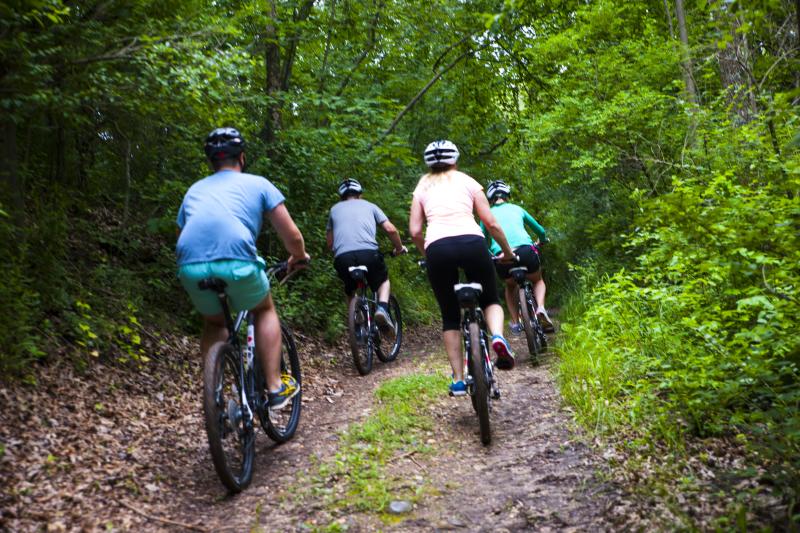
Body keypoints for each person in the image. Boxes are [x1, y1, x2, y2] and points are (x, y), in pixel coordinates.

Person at [176, 127, 310, 410]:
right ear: (243, 158)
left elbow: (182, 235)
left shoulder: (194, 190)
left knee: (214, 322)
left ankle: (215, 390)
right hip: (238, 262)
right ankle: (274, 386)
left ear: (211, 162)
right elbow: (293, 236)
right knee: (263, 309)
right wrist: (298, 256)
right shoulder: (258, 184)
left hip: (190, 266)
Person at [409, 140, 518, 397]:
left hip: (437, 248)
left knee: (449, 315)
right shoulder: (468, 181)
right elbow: (490, 222)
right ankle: (498, 337)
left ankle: (458, 379)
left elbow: (415, 230)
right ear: (455, 160)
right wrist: (508, 252)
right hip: (472, 243)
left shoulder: (422, 186)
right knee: (490, 299)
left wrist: (428, 254)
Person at [327, 178, 407, 330]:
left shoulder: (334, 210)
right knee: (383, 282)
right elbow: (390, 229)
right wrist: (399, 248)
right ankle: (382, 309)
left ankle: (356, 319)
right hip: (369, 254)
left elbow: (330, 243)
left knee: (350, 289)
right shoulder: (370, 206)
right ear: (360, 195)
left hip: (343, 258)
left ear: (341, 197)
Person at [481, 180, 554, 333]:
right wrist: (541, 240)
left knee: (510, 285)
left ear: (490, 199)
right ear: (507, 195)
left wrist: (489, 254)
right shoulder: (517, 209)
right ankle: (540, 308)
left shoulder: (486, 215)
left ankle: (515, 322)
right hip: (525, 252)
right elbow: (540, 230)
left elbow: (481, 240)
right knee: (538, 280)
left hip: (502, 257)